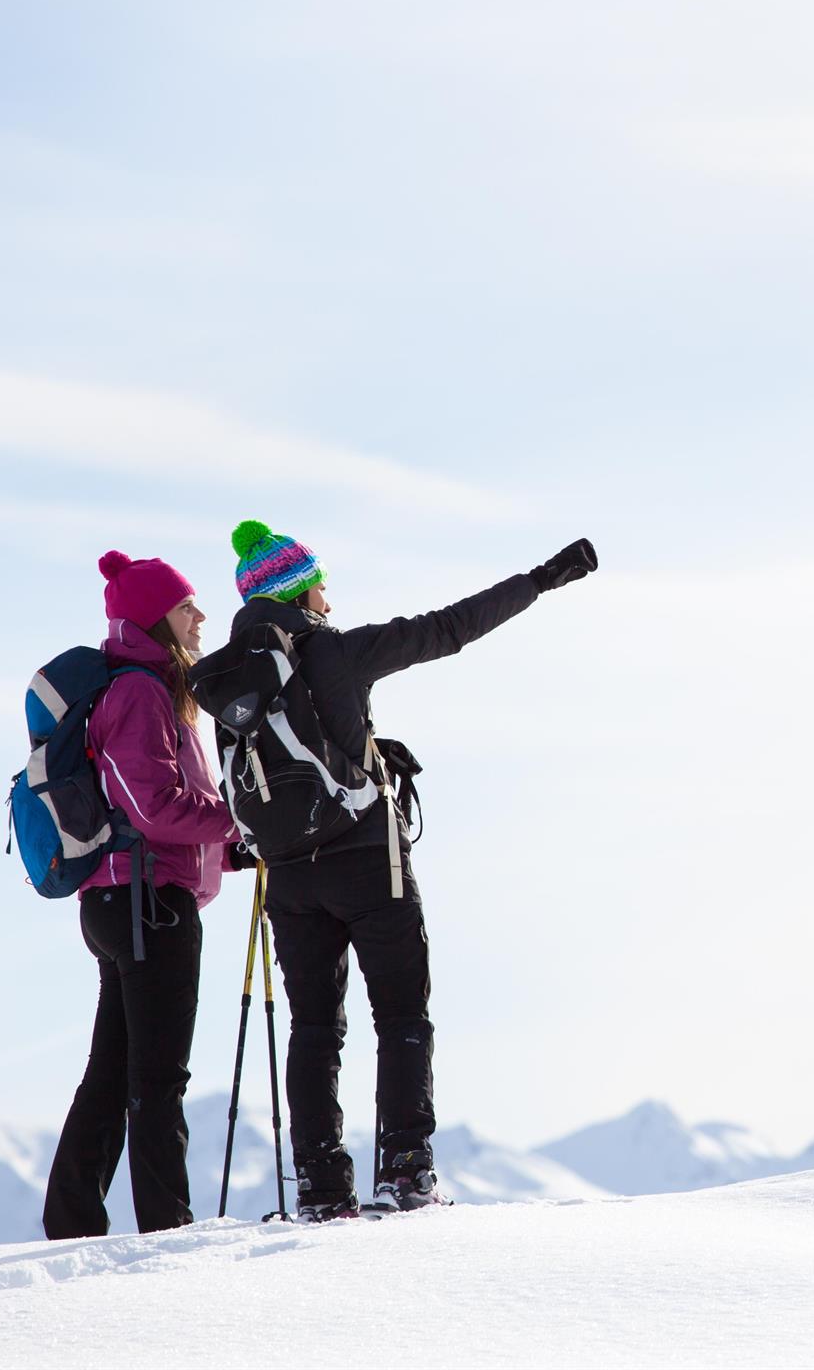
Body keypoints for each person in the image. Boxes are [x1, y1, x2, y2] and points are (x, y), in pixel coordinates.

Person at [222, 519, 597, 1220]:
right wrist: (539, 582)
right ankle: (405, 1173)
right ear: (301, 593)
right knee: (399, 1017)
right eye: (321, 587)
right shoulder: (335, 652)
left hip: (288, 877)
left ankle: (321, 1189)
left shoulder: (226, 679)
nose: (329, 599)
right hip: (367, 858)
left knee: (313, 1028)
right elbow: (447, 629)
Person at [43, 550, 244, 1239]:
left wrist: (228, 842)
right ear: (157, 618)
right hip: (148, 902)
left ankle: (72, 1220)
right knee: (157, 1077)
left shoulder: (141, 687)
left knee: (115, 1071)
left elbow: (149, 808)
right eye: (188, 607)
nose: (201, 618)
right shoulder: (139, 692)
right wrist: (240, 820)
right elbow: (153, 805)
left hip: (123, 897)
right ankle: (168, 1227)